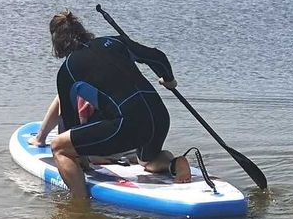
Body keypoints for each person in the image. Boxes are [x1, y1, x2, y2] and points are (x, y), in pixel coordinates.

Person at [38, 10, 192, 198]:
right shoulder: (116, 41)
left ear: (57, 43)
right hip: (159, 116)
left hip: (127, 123)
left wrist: (81, 159)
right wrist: (169, 80)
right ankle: (175, 164)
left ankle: (79, 204)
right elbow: (156, 56)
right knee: (147, 160)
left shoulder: (67, 71)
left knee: (59, 147)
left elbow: (70, 124)